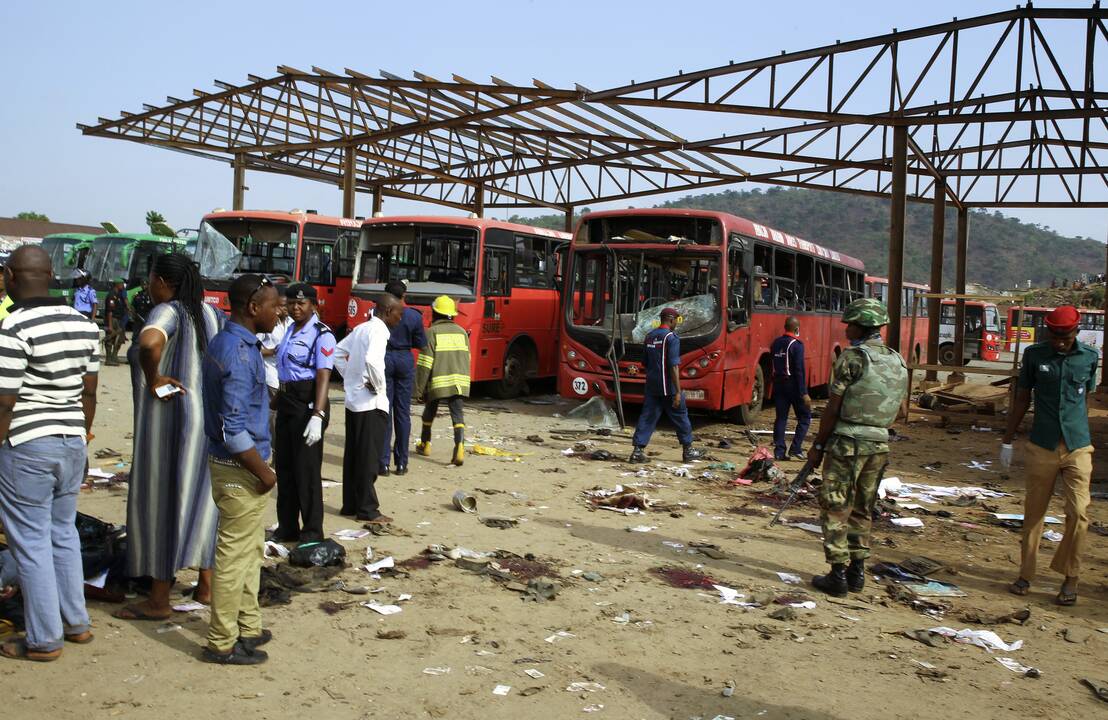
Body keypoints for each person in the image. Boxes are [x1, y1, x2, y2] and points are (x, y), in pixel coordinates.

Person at [0, 246, 99, 661]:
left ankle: (43, 639)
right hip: (72, 441)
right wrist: (83, 434)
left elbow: (5, 402)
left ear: (10, 276)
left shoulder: (13, 327)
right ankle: (76, 623)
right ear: (50, 274)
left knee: (31, 542)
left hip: (28, 445)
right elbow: (90, 392)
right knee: (62, 533)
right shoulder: (82, 323)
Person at [114, 254, 225, 622]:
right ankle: (206, 586)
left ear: (162, 281)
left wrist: (154, 376)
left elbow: (148, 344)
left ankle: (159, 599)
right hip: (204, 423)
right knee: (201, 503)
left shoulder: (167, 311)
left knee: (163, 505)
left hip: (169, 425)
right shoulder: (209, 314)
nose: (148, 285)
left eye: (150, 278)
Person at [201, 273, 279, 665]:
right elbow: (233, 428)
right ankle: (222, 642)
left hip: (238, 464)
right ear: (253, 308)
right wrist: (264, 473)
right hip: (240, 468)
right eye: (273, 305)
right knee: (234, 558)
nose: (278, 312)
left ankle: (247, 626)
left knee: (249, 552)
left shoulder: (230, 342)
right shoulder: (240, 353)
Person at [806, 298, 907, 597]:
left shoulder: (853, 358)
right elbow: (902, 411)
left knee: (836, 505)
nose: (846, 329)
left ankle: (837, 574)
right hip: (879, 445)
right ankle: (857, 572)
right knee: (864, 508)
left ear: (861, 326)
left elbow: (833, 407)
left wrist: (818, 446)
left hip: (847, 443)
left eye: (850, 324)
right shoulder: (897, 360)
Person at [1001, 305, 1097, 606]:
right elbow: (1022, 397)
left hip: (1078, 446)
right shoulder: (1034, 356)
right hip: (1042, 445)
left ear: (1076, 332)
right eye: (1054, 335)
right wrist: (1007, 438)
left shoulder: (1090, 358)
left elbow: (1087, 396)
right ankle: (1026, 574)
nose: (1059, 341)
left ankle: (1071, 577)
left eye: (1064, 336)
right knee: (1034, 515)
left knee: (1079, 515)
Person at [272, 284, 335, 543]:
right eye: (291, 304)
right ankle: (287, 527)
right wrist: (274, 402)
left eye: (301, 304)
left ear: (313, 305)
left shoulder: (322, 334)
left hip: (308, 403)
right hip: (287, 400)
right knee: (284, 469)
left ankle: (311, 532)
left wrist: (317, 416)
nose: (295, 308)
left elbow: (323, 376)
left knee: (306, 472)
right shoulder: (289, 329)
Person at [335, 294, 404, 522]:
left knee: (354, 455)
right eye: (398, 313)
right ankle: (368, 509)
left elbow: (337, 352)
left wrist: (350, 378)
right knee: (369, 458)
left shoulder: (362, 328)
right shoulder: (379, 331)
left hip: (354, 400)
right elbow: (373, 361)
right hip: (370, 402)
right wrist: (376, 385)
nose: (399, 319)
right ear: (387, 311)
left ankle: (351, 504)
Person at [628, 308, 705, 464]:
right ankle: (688, 450)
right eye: (676, 320)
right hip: (668, 387)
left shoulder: (649, 336)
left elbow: (645, 363)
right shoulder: (671, 338)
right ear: (671, 320)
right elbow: (673, 366)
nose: (676, 323)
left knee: (647, 417)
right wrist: (677, 391)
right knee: (681, 417)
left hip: (652, 386)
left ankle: (637, 451)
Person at [414, 296, 471, 467]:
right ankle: (460, 446)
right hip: (459, 381)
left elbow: (425, 364)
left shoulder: (431, 332)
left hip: (438, 382)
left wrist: (418, 390)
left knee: (429, 412)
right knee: (457, 415)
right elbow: (467, 358)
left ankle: (425, 444)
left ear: (435, 313)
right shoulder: (462, 332)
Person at [379, 280, 426, 476]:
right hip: (405, 359)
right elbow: (421, 343)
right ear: (404, 296)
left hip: (385, 357)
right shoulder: (413, 316)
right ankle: (401, 463)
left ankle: (383, 463)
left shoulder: (379, 313)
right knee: (402, 413)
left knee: (385, 410)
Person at [771, 316, 812, 461]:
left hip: (778, 384)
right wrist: (804, 393)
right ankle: (795, 448)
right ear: (796, 329)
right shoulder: (797, 345)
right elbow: (799, 370)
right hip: (793, 385)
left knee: (781, 418)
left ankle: (779, 451)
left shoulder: (776, 343)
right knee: (805, 417)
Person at [258, 287, 292, 398]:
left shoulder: (292, 323)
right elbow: (253, 350)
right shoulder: (267, 323)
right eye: (283, 305)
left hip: (286, 378)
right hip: (270, 377)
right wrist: (273, 351)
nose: (286, 308)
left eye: (288, 304)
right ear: (276, 306)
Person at [103, 278, 128, 365]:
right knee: (110, 339)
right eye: (121, 284)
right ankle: (108, 359)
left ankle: (114, 357)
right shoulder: (111, 295)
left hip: (119, 319)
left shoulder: (119, 295)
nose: (123, 286)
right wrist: (110, 325)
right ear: (117, 284)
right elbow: (110, 311)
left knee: (119, 339)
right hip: (112, 319)